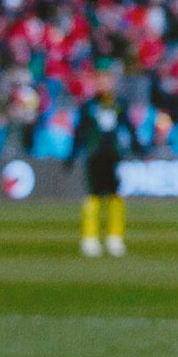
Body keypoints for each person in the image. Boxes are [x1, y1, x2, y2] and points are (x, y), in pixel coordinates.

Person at [67, 61, 143, 257]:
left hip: (114, 156)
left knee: (115, 196)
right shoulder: (88, 106)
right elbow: (80, 133)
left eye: (107, 79)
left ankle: (114, 238)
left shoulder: (119, 104)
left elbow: (129, 128)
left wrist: (139, 148)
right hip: (94, 157)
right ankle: (90, 238)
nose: (104, 83)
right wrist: (72, 155)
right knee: (92, 196)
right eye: (100, 79)